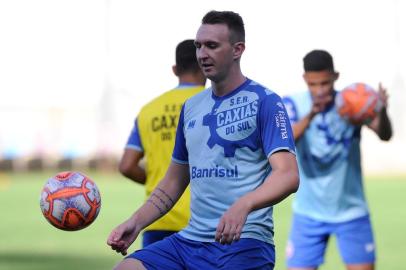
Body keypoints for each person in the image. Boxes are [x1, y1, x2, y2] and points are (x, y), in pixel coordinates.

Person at [108, 10, 299, 270]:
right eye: (198, 46)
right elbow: (174, 180)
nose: (202, 54)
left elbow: (288, 175)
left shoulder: (265, 101)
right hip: (190, 242)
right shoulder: (191, 107)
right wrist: (137, 221)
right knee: (127, 268)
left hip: (244, 243)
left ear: (237, 49)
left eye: (212, 45)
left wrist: (244, 204)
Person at [283, 49, 392, 270]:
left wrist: (381, 111)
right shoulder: (294, 104)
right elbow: (286, 140)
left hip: (351, 211)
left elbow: (384, 134)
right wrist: (312, 114)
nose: (320, 90)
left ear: (336, 76)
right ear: (305, 79)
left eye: (325, 83)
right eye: (314, 84)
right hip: (308, 212)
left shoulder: (352, 102)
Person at [118, 39, 206, 247]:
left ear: (175, 70)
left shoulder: (149, 110)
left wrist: (159, 184)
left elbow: (126, 165)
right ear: (204, 66)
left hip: (156, 218)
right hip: (204, 221)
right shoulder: (211, 104)